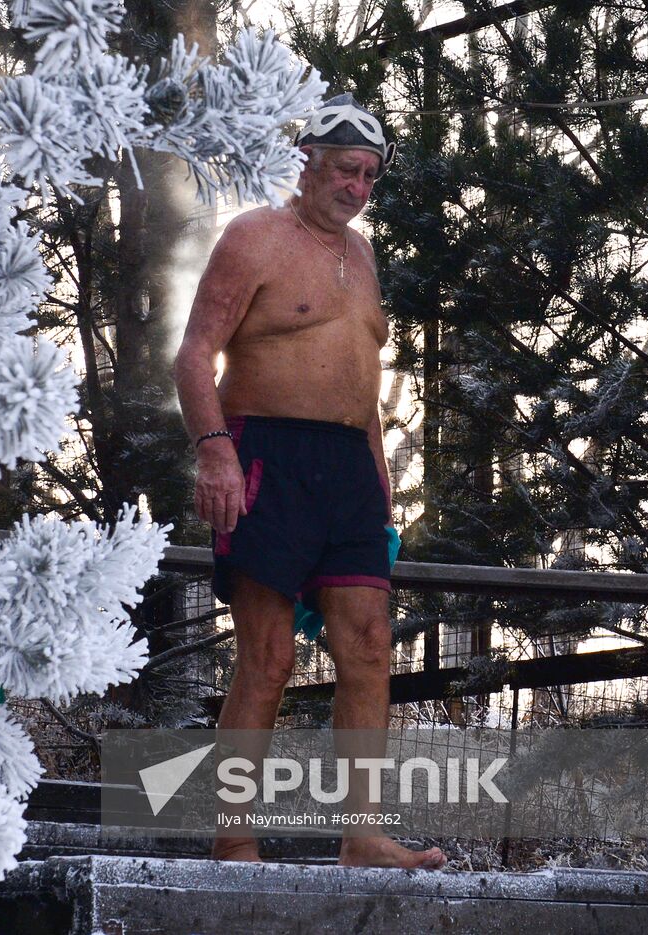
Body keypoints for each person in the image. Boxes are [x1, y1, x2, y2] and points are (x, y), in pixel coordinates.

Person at [171, 93, 445, 870]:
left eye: (369, 176)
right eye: (345, 170)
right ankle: (234, 837)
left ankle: (363, 835)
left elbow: (360, 380)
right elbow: (194, 355)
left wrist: (382, 486)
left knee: (369, 644)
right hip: (265, 457)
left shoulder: (361, 257)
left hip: (351, 469)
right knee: (269, 655)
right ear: (307, 163)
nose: (358, 187)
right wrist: (216, 450)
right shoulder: (255, 235)